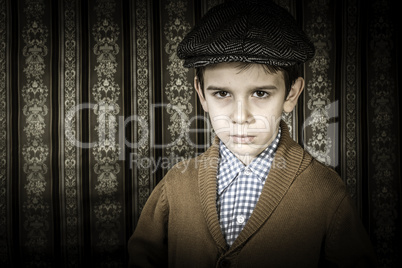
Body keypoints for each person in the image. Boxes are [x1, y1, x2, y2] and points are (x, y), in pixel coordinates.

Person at [128, 0, 376, 267]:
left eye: (260, 93)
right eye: (222, 93)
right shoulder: (176, 184)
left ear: (290, 94)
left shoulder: (325, 192)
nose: (239, 116)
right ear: (201, 94)